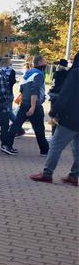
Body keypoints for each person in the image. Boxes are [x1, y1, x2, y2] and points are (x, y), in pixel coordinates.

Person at [29, 53, 79, 186]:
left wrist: (54, 111)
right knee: (77, 148)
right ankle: (74, 175)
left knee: (56, 144)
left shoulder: (74, 74)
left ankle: (47, 173)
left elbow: (66, 95)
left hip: (71, 117)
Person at [1, 55, 50, 156]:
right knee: (39, 128)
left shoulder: (28, 73)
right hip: (34, 105)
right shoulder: (39, 74)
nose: (46, 63)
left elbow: (22, 89)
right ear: (40, 63)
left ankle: (6, 145)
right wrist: (33, 106)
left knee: (16, 125)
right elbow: (34, 91)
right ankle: (45, 150)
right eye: (45, 61)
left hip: (24, 103)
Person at [49, 59, 69, 135]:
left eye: (58, 65)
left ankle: (53, 134)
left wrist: (51, 90)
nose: (57, 66)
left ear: (60, 66)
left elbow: (53, 85)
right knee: (61, 116)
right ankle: (60, 134)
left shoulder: (56, 73)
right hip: (64, 97)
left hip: (55, 96)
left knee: (53, 115)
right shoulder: (69, 74)